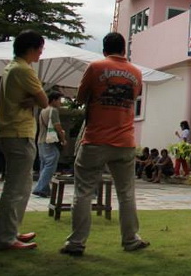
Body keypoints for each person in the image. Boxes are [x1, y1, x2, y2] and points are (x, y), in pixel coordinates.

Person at [61, 32, 148, 256]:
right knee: (126, 193)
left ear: (104, 50)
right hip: (125, 141)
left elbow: (80, 98)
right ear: (124, 50)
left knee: (83, 192)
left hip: (95, 140)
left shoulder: (95, 67)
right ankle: (131, 239)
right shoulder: (137, 73)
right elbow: (132, 97)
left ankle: (76, 243)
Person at [0, 30, 48, 251]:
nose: (41, 53)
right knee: (15, 188)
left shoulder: (11, 67)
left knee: (22, 187)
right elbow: (44, 100)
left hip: (11, 132)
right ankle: (6, 238)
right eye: (40, 49)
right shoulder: (24, 70)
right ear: (32, 48)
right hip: (18, 133)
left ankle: (12, 232)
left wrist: (32, 100)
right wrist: (35, 99)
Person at [33, 91, 67, 198]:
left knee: (44, 165)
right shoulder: (53, 111)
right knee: (51, 163)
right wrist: (63, 139)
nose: (60, 103)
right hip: (49, 141)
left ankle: (45, 190)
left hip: (41, 140)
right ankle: (40, 188)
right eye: (59, 100)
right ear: (54, 100)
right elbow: (57, 126)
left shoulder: (43, 110)